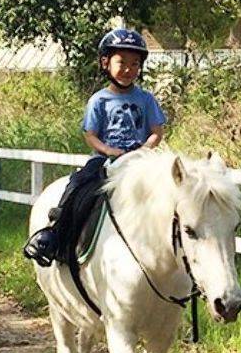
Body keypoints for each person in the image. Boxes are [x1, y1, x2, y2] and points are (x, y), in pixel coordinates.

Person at [24, 28, 167, 266]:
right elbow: (89, 135)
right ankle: (54, 234)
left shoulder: (146, 99)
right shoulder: (99, 100)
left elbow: (157, 133)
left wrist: (143, 150)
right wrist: (109, 151)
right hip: (105, 159)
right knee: (78, 185)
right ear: (105, 62)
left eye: (135, 64)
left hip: (140, 161)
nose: (128, 69)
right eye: (122, 62)